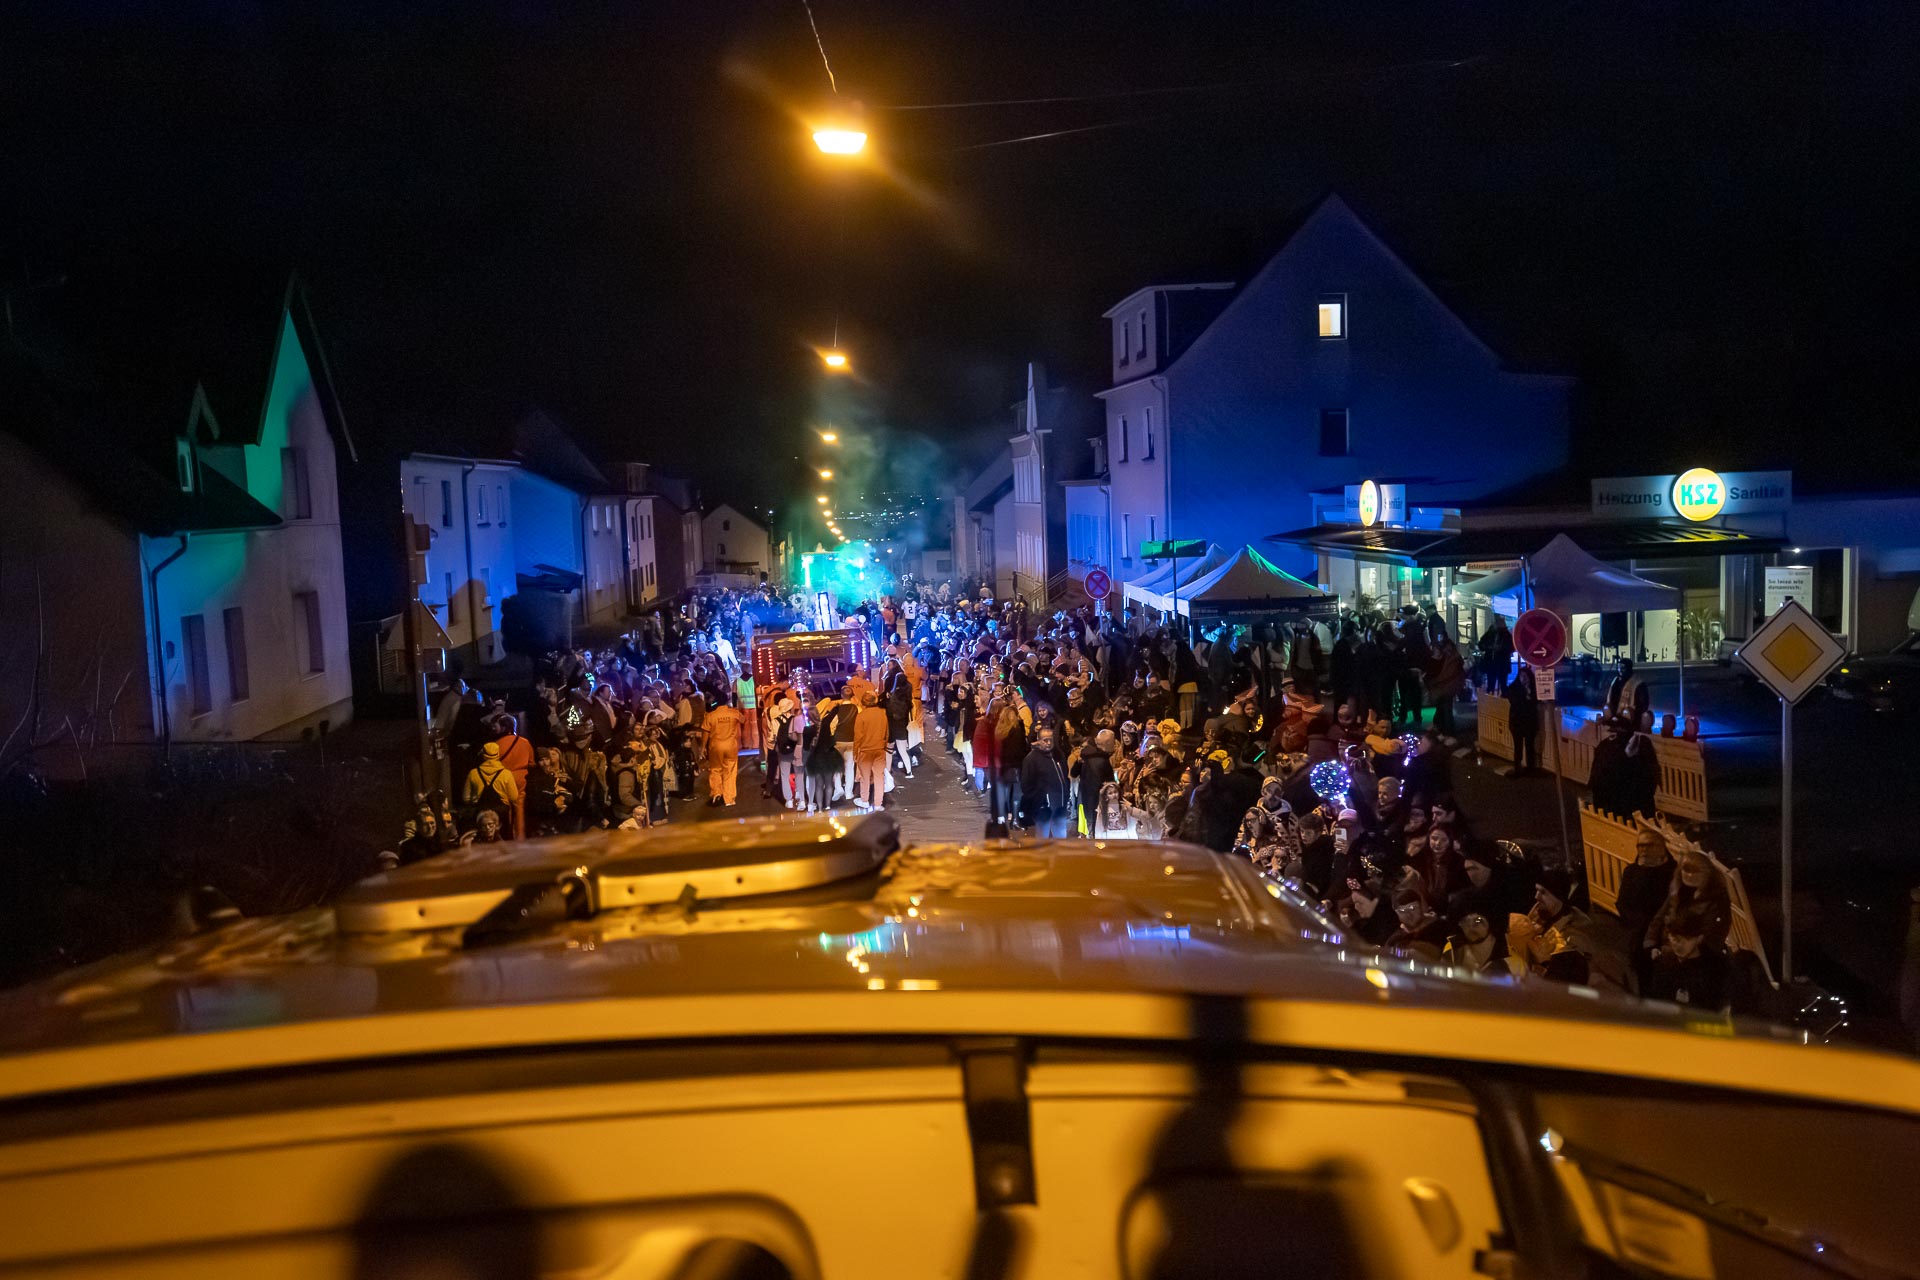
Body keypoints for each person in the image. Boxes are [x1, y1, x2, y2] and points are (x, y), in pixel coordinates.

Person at [1643, 852, 1733, 1008]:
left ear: (1707, 874)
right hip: (1672, 947)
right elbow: (1659, 918)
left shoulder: (1717, 899)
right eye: (1686, 870)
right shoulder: (1677, 892)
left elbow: (1714, 934)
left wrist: (1687, 952)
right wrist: (1651, 944)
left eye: (1696, 871)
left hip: (1699, 954)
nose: (1690, 875)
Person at [1508, 868, 1600, 984]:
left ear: (1558, 897)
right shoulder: (1540, 911)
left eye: (1543, 892)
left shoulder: (1575, 930)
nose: (1536, 896)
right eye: (1537, 890)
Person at [1616, 830, 1677, 992]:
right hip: (1638, 937)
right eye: (1640, 846)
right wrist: (1636, 923)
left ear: (1661, 847)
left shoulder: (1674, 872)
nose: (1643, 849)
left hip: (1665, 937)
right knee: (1644, 983)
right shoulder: (1631, 872)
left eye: (1648, 845)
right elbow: (1622, 903)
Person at [1018, 726, 1072, 837]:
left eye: (1051, 740)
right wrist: (1040, 801)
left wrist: (1066, 795)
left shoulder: (1058, 755)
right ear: (1038, 740)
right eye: (1045, 740)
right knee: (1042, 839)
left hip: (1060, 805)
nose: (1048, 743)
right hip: (1043, 808)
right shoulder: (1031, 759)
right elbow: (1026, 785)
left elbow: (1064, 776)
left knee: (1061, 838)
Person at [462, 741, 521, 831]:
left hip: (480, 815)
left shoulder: (473, 773)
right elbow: (514, 797)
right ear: (498, 754)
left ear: (483, 755)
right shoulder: (506, 774)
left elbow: (466, 798)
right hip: (501, 815)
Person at [1074, 729, 1117, 837]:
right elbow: (1107, 786)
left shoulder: (1085, 756)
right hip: (1098, 805)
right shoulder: (1102, 761)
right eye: (1113, 742)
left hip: (1086, 802)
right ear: (1107, 743)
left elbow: (1073, 773)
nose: (1115, 745)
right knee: (1097, 834)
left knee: (1091, 831)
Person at [703, 691, 743, 807]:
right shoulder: (734, 713)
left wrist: (702, 748)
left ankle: (717, 794)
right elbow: (743, 720)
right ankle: (729, 799)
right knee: (730, 771)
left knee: (715, 770)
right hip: (731, 746)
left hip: (715, 747)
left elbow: (705, 732)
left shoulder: (711, 715)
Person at [852, 691, 891, 810]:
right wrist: (884, 745)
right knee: (879, 777)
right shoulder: (883, 714)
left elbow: (858, 736)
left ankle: (864, 800)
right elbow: (887, 733)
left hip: (865, 750)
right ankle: (878, 803)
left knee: (865, 777)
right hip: (879, 749)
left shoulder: (861, 716)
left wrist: (855, 752)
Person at [1504, 663, 1541, 774]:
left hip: (1530, 721)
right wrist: (1525, 695)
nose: (1523, 679)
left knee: (1530, 745)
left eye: (1525, 676)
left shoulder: (1534, 689)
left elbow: (1536, 701)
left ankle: (1530, 768)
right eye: (1521, 676)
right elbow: (1513, 701)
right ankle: (1517, 767)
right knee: (1518, 746)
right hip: (1517, 721)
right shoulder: (1514, 688)